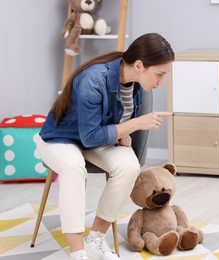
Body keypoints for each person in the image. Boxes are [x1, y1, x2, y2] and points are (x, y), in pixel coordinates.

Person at [36, 33, 175, 260]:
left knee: (129, 166)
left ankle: (95, 239)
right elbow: (90, 136)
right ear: (139, 65)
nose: (161, 81)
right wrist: (136, 123)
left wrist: (124, 133)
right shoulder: (94, 79)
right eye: (159, 74)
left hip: (96, 139)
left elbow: (111, 123)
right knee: (73, 167)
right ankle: (77, 251)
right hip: (60, 138)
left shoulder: (137, 84)